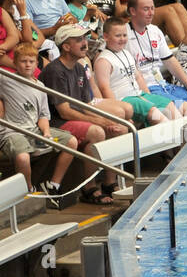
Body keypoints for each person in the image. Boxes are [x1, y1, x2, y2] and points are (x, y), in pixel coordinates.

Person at [38, 24, 125, 205]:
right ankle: (89, 188)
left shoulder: (78, 67)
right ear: (66, 47)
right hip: (56, 122)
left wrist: (106, 120)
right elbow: (65, 111)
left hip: (73, 118)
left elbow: (85, 105)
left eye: (84, 39)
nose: (85, 43)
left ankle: (109, 182)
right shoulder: (55, 71)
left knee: (121, 128)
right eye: (78, 40)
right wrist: (99, 122)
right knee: (97, 132)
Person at [0, 43, 79, 193]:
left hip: (34, 130)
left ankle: (53, 185)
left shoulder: (41, 86)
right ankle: (28, 189)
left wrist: (46, 132)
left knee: (71, 142)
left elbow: (43, 115)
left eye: (31, 61)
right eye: (23, 61)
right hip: (13, 132)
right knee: (23, 157)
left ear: (37, 63)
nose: (27, 65)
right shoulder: (6, 79)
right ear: (15, 63)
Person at [126, 0, 187, 112]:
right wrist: (148, 97)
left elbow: (170, 60)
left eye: (152, 8)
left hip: (163, 85)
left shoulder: (155, 30)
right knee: (186, 110)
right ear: (133, 11)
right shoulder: (123, 35)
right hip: (146, 88)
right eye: (146, 9)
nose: (151, 13)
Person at [93, 17, 179, 127]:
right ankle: (173, 138)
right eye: (118, 36)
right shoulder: (103, 60)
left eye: (124, 35)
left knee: (168, 104)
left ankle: (183, 140)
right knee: (153, 112)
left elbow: (138, 77)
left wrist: (148, 96)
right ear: (106, 37)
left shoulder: (126, 53)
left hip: (138, 94)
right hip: (123, 100)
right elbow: (104, 88)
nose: (122, 39)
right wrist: (117, 111)